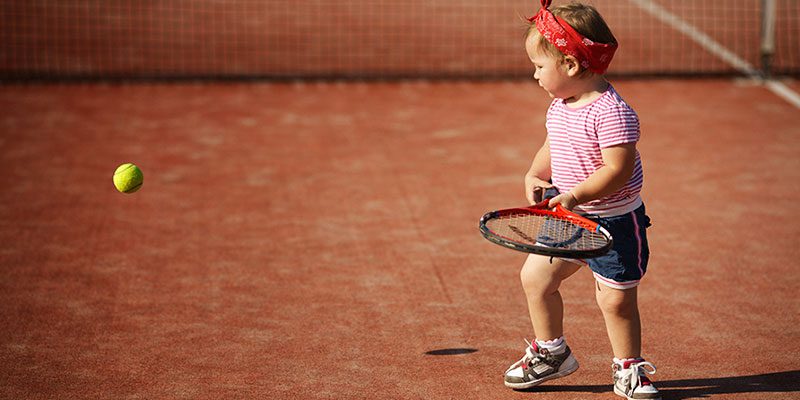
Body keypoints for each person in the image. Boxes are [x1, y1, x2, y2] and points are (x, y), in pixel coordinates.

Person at [502, 1, 660, 399]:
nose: (535, 74)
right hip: (568, 216)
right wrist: (536, 173)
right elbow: (553, 142)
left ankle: (629, 368)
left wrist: (573, 194)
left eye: (540, 66)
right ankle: (552, 352)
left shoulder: (613, 113)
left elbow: (616, 171)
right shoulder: (561, 105)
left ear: (570, 66)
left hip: (614, 222)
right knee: (535, 279)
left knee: (615, 302)